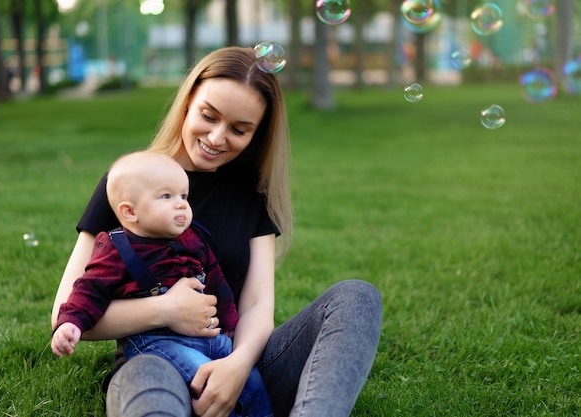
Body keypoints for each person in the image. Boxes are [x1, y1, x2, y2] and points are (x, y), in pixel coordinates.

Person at [52, 46, 383, 417]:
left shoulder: (251, 194)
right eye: (209, 116)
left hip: (239, 360)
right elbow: (65, 313)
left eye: (239, 129)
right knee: (144, 378)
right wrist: (166, 309)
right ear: (188, 101)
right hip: (158, 362)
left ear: (257, 134)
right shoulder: (129, 183)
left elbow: (257, 303)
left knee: (356, 298)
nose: (217, 137)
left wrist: (238, 367)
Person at [51, 151, 272, 417]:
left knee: (251, 381)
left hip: (211, 338)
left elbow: (217, 285)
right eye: (167, 197)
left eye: (183, 196)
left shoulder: (195, 239)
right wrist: (71, 322)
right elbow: (89, 289)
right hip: (158, 342)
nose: (181, 205)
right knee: (207, 382)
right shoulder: (116, 249)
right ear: (129, 212)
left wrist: (230, 326)